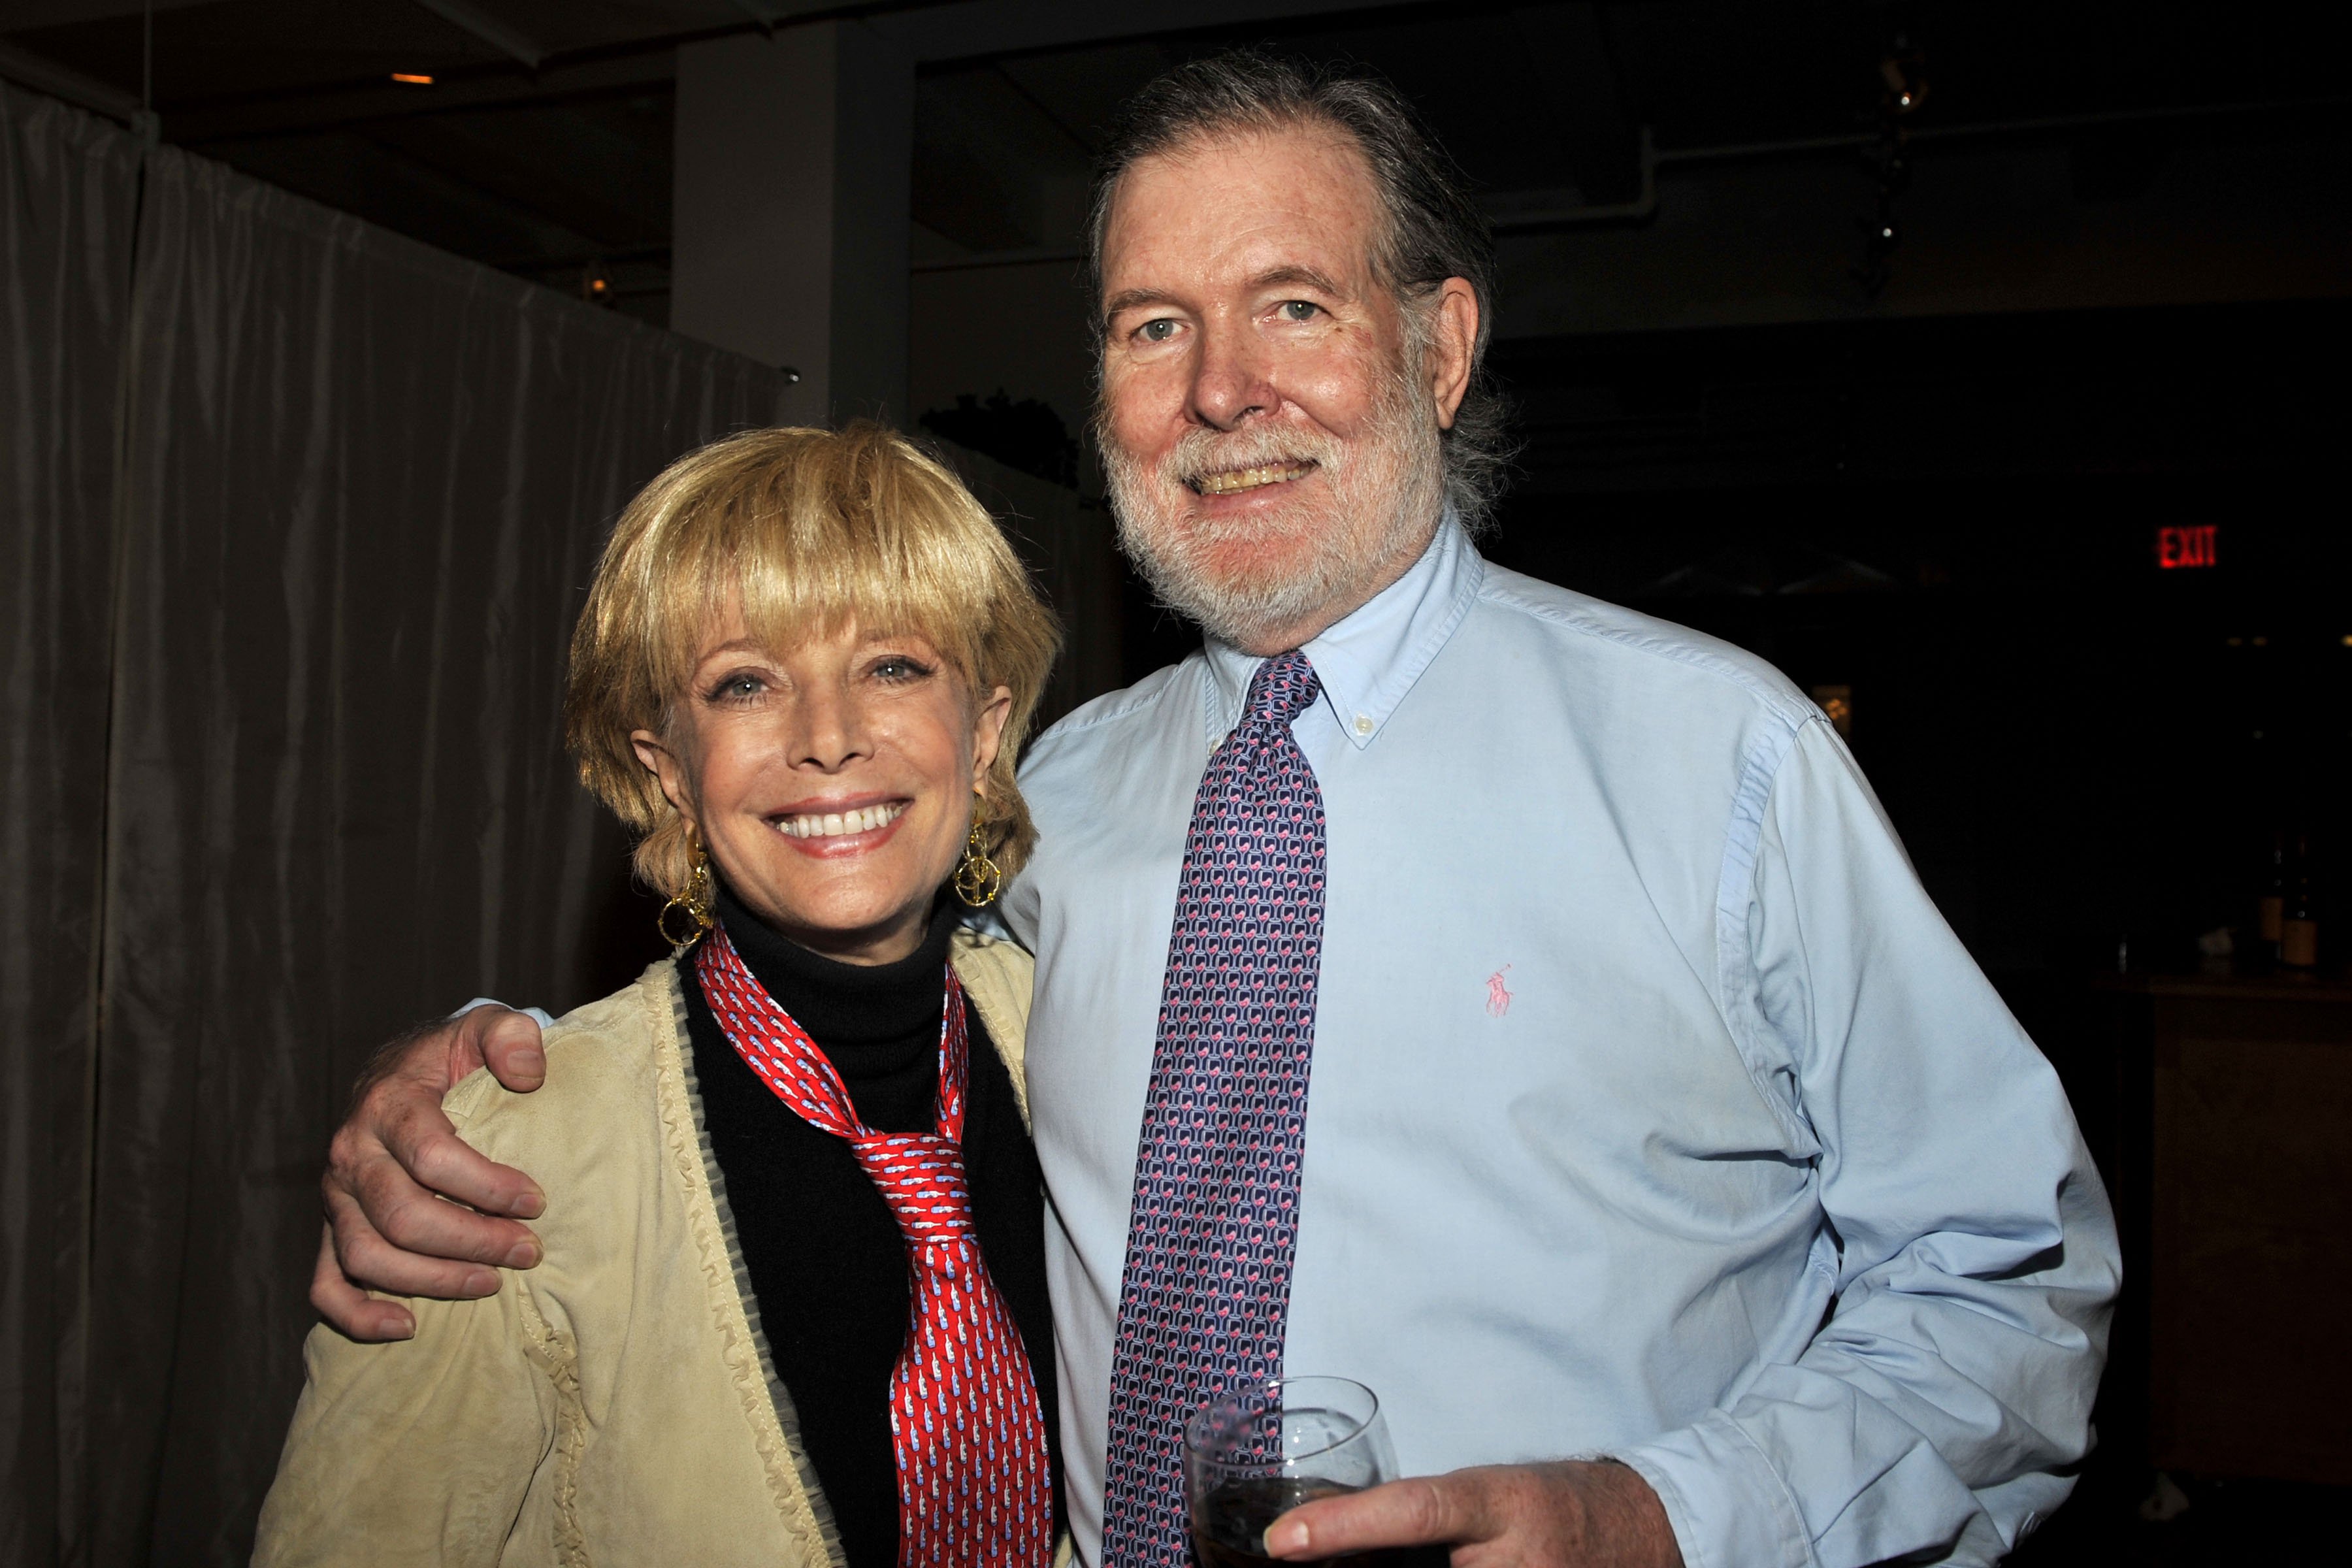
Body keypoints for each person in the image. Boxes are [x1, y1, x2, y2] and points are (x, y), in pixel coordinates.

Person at [311, 54, 2119, 1568]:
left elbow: (2007, 1285)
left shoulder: (1719, 762)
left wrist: (1656, 1513)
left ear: (1441, 345)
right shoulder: (1052, 798)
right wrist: (496, 1069)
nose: (1225, 391)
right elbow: (812, 1028)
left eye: (1297, 309)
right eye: (1155, 324)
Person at [256, 425, 1066, 1567]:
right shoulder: (500, 1159)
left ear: (982, 732)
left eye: (892, 666)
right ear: (668, 770)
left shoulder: (1088, 1033)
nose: (827, 740)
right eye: (746, 684)